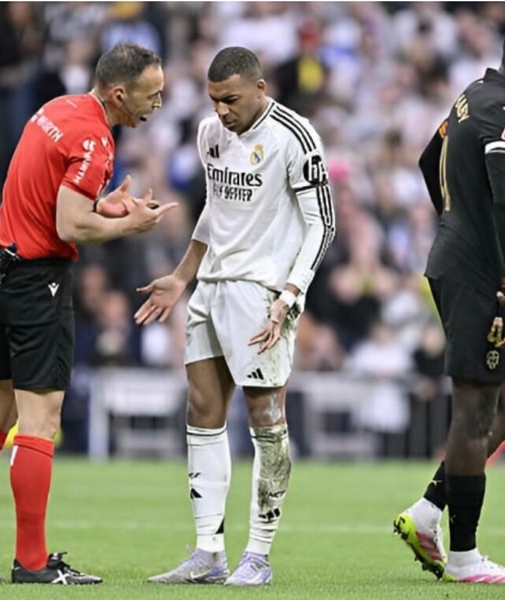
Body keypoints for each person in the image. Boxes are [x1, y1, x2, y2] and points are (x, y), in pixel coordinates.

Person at [0, 42, 174, 585]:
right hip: (35, 283)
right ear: (120, 94)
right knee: (41, 421)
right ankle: (34, 563)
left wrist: (104, 206)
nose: (158, 103)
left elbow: (51, 198)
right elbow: (70, 227)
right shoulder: (96, 138)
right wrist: (127, 225)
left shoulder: (57, 109)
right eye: (151, 94)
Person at [135, 46, 335, 587]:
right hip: (210, 287)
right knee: (202, 407)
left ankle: (259, 556)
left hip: (262, 290)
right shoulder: (209, 135)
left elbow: (323, 224)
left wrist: (290, 294)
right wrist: (181, 276)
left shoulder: (296, 136)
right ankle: (208, 552)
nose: (221, 110)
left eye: (231, 100)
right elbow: (216, 211)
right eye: (214, 100)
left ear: (259, 89)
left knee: (266, 418)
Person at [392, 18, 505, 585]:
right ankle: (463, 557)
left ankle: (428, 511)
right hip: (478, 275)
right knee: (473, 412)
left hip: (462, 258)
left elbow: (424, 160)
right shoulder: (499, 113)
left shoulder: (471, 97)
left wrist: (453, 219)